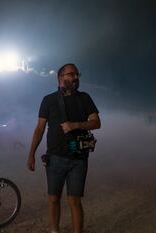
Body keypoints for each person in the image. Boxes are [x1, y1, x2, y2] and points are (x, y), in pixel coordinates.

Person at [27, 63, 101, 233]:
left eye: (77, 74)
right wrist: (31, 154)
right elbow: (39, 128)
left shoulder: (84, 98)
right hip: (55, 157)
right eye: (71, 74)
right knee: (53, 199)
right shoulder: (49, 100)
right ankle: (54, 231)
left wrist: (75, 125)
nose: (75, 77)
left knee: (75, 201)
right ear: (60, 78)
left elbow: (96, 122)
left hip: (79, 159)